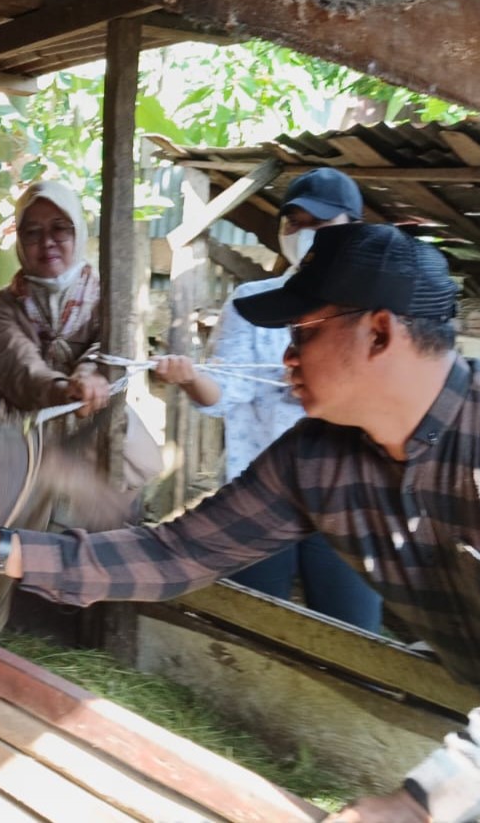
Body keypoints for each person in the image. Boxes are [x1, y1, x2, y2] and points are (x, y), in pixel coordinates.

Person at [0, 224, 480, 823]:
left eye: (302, 333)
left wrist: (423, 802)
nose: (285, 355)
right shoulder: (319, 459)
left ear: (381, 334)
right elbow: (172, 556)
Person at [156, 167, 382, 630]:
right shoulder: (254, 303)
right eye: (292, 223)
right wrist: (189, 378)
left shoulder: (378, 306)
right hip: (264, 491)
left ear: (351, 228)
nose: (303, 235)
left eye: (318, 224)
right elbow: (227, 391)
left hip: (346, 496)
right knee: (254, 625)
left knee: (354, 629)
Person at [0, 179, 162, 488]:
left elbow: (112, 346)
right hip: (22, 435)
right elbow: (22, 369)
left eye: (60, 228)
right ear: (20, 240)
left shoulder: (110, 298)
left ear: (78, 231)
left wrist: (89, 374)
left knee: (123, 497)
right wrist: (66, 389)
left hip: (99, 425)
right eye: (32, 232)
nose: (47, 241)